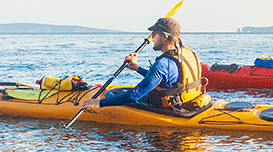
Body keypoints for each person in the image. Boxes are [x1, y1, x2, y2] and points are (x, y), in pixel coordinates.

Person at [79, 17, 212, 112]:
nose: (152, 37)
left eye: (155, 34)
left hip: (172, 108)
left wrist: (99, 103)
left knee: (112, 94)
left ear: (164, 36)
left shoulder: (162, 64)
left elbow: (134, 95)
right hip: (189, 102)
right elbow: (168, 81)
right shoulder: (185, 54)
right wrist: (137, 68)